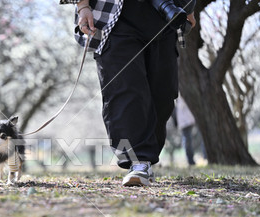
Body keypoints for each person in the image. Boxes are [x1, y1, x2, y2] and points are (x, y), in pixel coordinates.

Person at [59, 0, 195, 186]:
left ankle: (145, 157)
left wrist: (189, 8)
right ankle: (139, 161)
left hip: (164, 16)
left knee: (162, 93)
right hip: (116, 16)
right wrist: (83, 5)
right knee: (125, 91)